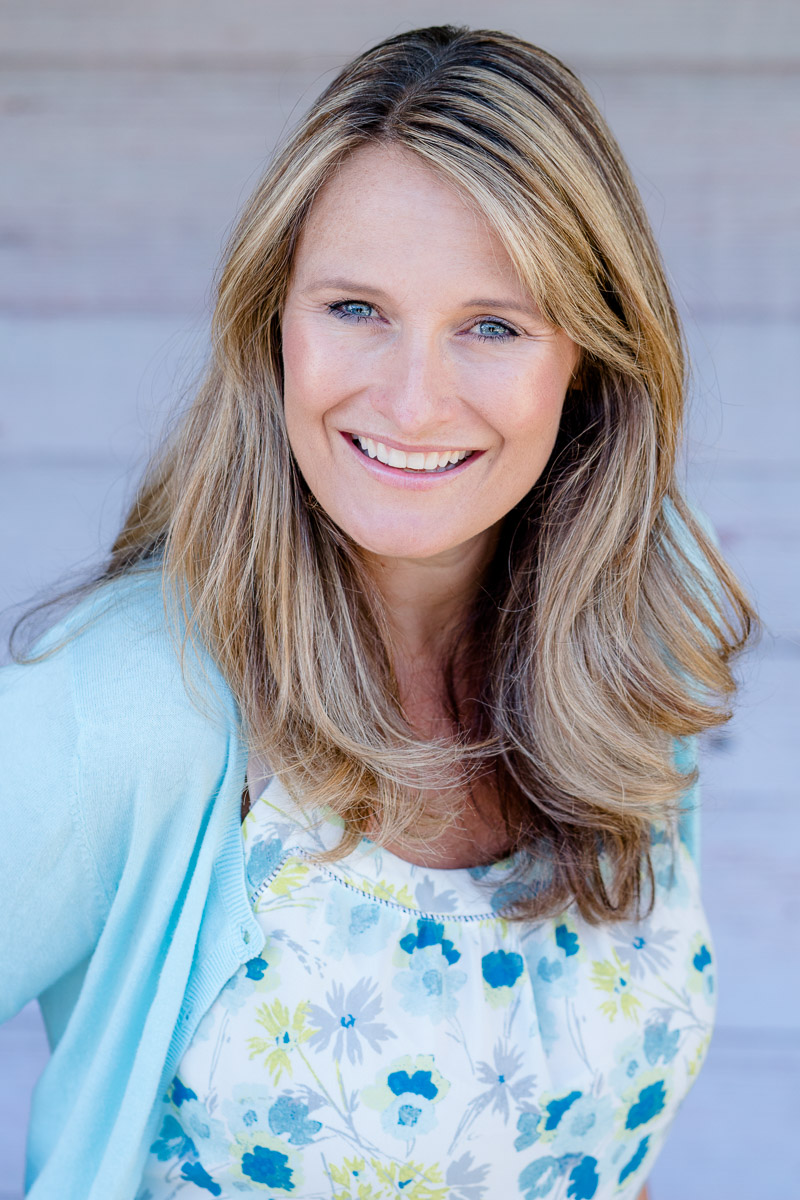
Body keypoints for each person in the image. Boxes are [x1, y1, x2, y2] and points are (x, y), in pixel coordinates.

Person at [0, 24, 755, 1200]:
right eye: (355, 308)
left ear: (588, 363)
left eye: (492, 325)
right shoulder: (131, 707)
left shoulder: (636, 615)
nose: (409, 401)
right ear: (274, 324)